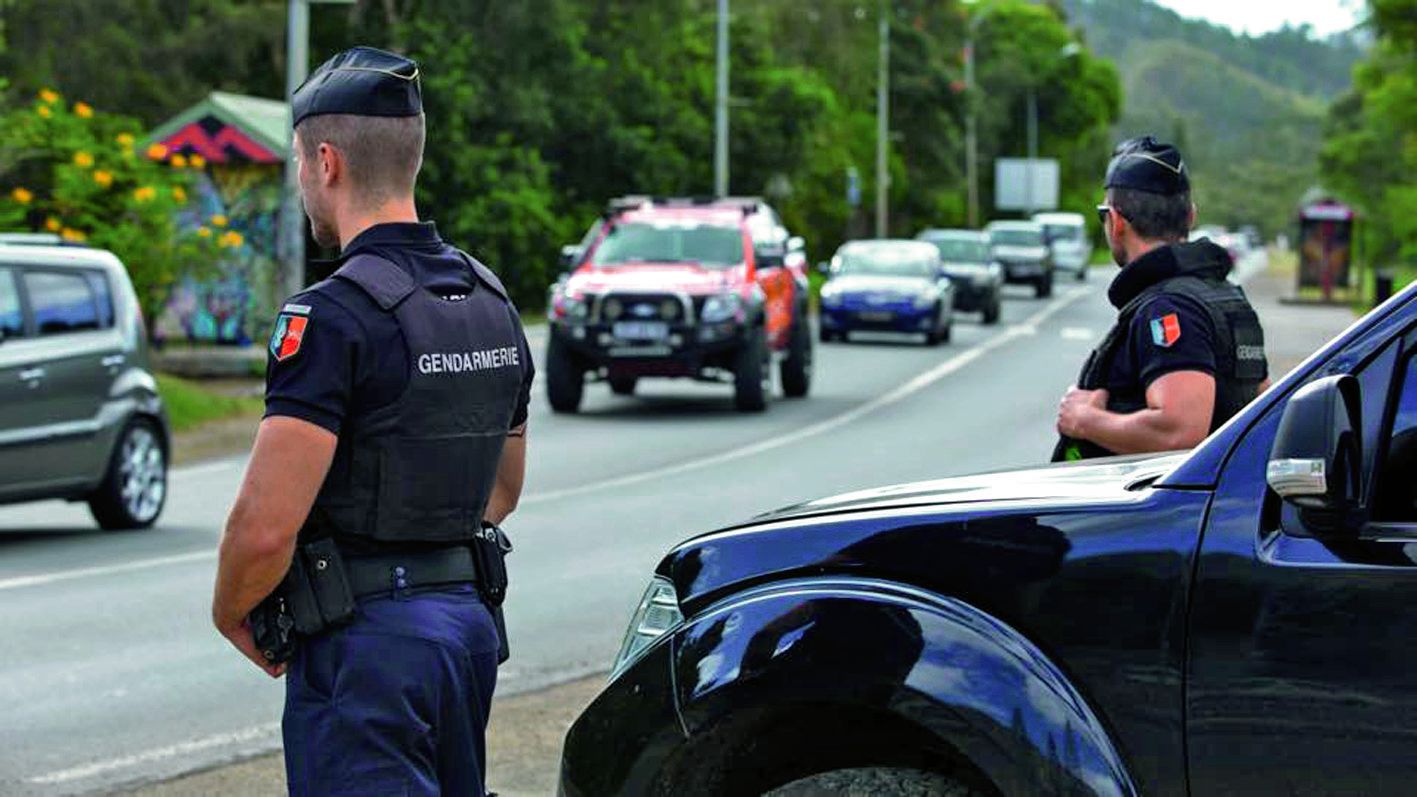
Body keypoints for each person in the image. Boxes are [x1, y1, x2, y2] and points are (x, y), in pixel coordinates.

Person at [211, 46, 534, 796]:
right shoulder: (489, 299)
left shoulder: (330, 317)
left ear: (326, 162)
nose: (301, 180)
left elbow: (264, 527)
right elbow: (501, 492)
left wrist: (231, 611)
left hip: (367, 650)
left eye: (298, 163)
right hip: (465, 632)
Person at [1053, 136, 1268, 461]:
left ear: (1116, 221)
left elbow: (1179, 431)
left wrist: (1085, 421)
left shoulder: (1169, 309)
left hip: (1161, 494)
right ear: (1190, 216)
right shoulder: (1226, 297)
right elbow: (1260, 402)